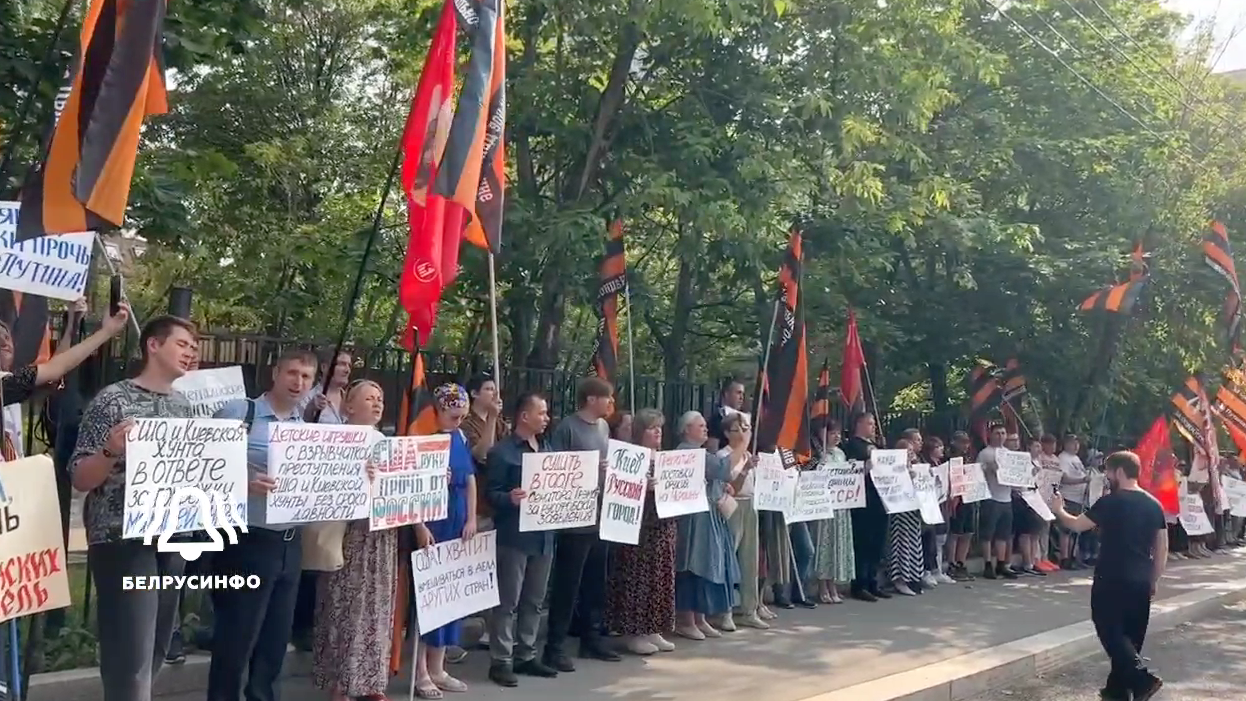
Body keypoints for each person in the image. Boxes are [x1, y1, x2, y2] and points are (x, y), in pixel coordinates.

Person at [69, 312, 196, 701]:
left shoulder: (185, 407)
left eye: (194, 348)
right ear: (153, 345)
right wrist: (111, 450)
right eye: (182, 344)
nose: (190, 354)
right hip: (122, 539)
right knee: (131, 654)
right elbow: (79, 476)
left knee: (156, 646)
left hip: (173, 539)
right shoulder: (114, 400)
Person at [208, 348, 318, 701]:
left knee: (274, 642)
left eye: (306, 377)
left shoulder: (308, 432)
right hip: (247, 541)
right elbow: (202, 467)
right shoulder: (241, 413)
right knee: (236, 638)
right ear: (275, 373)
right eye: (292, 373)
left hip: (289, 543)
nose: (298, 382)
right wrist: (242, 483)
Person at [312, 380, 418, 701]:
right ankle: (340, 683)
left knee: (378, 606)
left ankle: (370, 681)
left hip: (381, 535)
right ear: (349, 407)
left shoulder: (386, 441)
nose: (377, 404)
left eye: (381, 399)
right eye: (369, 398)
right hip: (350, 533)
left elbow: (403, 485)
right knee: (346, 606)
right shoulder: (335, 440)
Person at [1050, 451, 1166, 701]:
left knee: (1110, 630)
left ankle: (1141, 679)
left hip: (1111, 577)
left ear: (1120, 472)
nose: (1106, 477)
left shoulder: (1110, 502)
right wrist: (1154, 579)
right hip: (1141, 579)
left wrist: (1059, 510)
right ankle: (1117, 692)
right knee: (1130, 638)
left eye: (1108, 472)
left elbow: (1076, 525)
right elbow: (1161, 548)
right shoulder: (1154, 504)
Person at [543, 377, 622, 670]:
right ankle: (555, 646)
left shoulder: (603, 428)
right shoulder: (567, 428)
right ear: (591, 399)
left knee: (594, 582)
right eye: (607, 398)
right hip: (574, 520)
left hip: (600, 515)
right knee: (568, 584)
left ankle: (592, 639)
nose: (611, 404)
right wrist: (588, 469)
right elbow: (557, 469)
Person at [486, 392, 558, 687]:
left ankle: (526, 654)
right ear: (524, 416)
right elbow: (490, 494)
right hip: (514, 537)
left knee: (534, 599)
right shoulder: (502, 452)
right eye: (541, 413)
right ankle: (501, 659)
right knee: (508, 601)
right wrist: (509, 498)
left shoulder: (548, 449)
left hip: (544, 536)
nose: (546, 418)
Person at [412, 384, 479, 698]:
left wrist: (472, 518)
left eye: (463, 415)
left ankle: (438, 667)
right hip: (433, 522)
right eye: (454, 415)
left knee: (448, 598)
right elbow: (409, 487)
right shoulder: (423, 439)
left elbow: (469, 480)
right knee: (427, 599)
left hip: (457, 519)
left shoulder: (461, 437)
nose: (459, 420)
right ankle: (420, 671)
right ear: (438, 410)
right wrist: (420, 526)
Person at [291, 348, 354, 652]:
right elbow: (294, 435)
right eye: (340, 364)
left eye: (349, 365)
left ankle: (321, 622)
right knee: (311, 556)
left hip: (341, 492)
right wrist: (309, 415)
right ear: (326, 367)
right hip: (314, 489)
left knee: (331, 560)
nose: (345, 369)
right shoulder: (310, 398)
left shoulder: (350, 399)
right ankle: (301, 624)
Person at [605, 408, 679, 654]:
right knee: (639, 580)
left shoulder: (665, 459)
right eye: (651, 427)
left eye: (659, 427)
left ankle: (653, 628)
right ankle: (633, 632)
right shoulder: (631, 457)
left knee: (660, 579)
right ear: (640, 432)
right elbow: (618, 490)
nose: (658, 431)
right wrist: (642, 487)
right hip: (640, 529)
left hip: (663, 527)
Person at [673, 411, 740, 639]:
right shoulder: (686, 452)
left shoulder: (699, 452)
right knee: (691, 566)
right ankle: (686, 619)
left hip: (706, 516)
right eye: (699, 425)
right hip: (692, 520)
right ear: (686, 429)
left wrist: (722, 487)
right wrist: (742, 444)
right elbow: (721, 468)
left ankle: (700, 618)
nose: (705, 429)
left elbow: (716, 477)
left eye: (705, 425)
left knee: (703, 566)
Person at [717, 411, 766, 628]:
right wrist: (745, 470)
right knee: (728, 558)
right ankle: (725, 610)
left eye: (746, 428)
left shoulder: (748, 455)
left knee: (750, 560)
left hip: (750, 504)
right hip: (732, 505)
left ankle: (750, 608)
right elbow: (729, 485)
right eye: (739, 429)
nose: (744, 433)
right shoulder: (723, 456)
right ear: (728, 433)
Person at [847, 412, 889, 601]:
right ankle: (859, 584)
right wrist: (866, 466)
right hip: (863, 501)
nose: (873, 427)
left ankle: (873, 581)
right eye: (870, 423)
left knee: (877, 544)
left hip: (880, 499)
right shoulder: (852, 445)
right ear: (859, 424)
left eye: (874, 423)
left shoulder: (877, 445)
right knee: (863, 543)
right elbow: (849, 472)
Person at [814, 417, 855, 603]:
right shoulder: (818, 455)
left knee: (838, 544)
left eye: (838, 433)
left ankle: (834, 586)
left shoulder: (840, 454)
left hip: (840, 507)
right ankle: (822, 585)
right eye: (832, 433)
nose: (837, 436)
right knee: (825, 545)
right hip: (825, 506)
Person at [978, 424, 1019, 579]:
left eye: (1003, 433)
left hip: (1006, 498)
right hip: (991, 497)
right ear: (990, 435)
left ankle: (1001, 564)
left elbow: (1017, 475)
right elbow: (977, 472)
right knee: (988, 534)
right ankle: (988, 564)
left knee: (1004, 534)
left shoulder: (1009, 454)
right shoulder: (985, 453)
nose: (1000, 436)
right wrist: (989, 468)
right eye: (997, 433)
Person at [886, 438, 924, 596]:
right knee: (901, 544)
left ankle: (914, 577)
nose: (910, 453)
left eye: (911, 450)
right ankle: (900, 579)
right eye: (906, 450)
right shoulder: (894, 468)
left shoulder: (916, 466)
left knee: (914, 544)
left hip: (913, 510)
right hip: (900, 511)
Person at [945, 430, 977, 581]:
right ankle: (951, 562)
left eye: (967, 442)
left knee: (967, 532)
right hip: (956, 498)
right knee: (955, 532)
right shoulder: (949, 458)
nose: (965, 445)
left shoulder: (968, 458)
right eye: (962, 442)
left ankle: (961, 562)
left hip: (968, 497)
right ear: (954, 442)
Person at [1058, 433, 1092, 569]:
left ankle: (1072, 556)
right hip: (1068, 497)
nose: (1076, 445)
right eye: (1073, 443)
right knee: (1066, 529)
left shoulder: (1076, 458)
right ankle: (1064, 557)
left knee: (1074, 529)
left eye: (1077, 443)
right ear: (1066, 444)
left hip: (1079, 499)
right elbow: (1063, 478)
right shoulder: (1063, 458)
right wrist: (1081, 480)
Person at [706, 378, 747, 452]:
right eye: (738, 393)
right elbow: (712, 451)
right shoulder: (717, 419)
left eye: (742, 394)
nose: (741, 398)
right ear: (726, 394)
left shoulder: (744, 418)